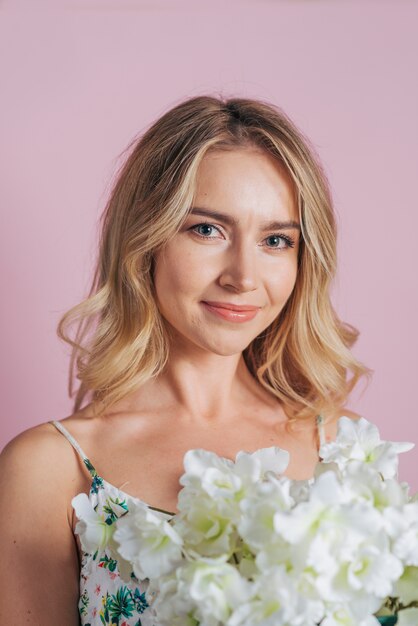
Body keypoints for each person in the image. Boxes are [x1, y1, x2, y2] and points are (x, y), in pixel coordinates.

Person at [0, 95, 369, 625]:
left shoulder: (343, 448)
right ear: (145, 241)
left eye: (276, 240)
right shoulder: (52, 469)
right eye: (207, 230)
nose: (242, 276)